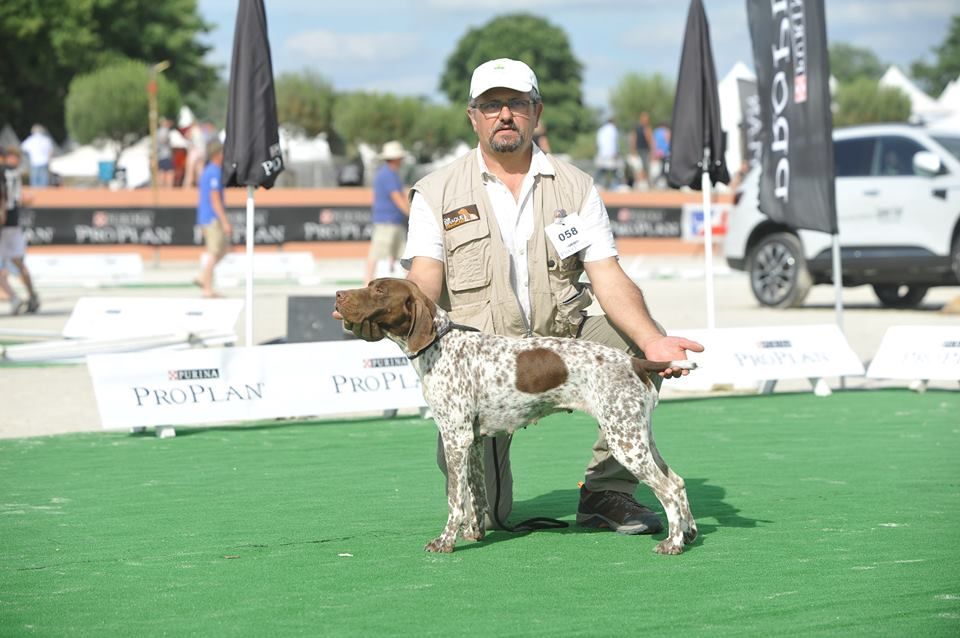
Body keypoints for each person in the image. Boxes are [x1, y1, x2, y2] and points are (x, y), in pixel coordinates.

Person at [338, 58, 703, 535]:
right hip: (485, 360)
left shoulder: (577, 186)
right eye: (491, 105)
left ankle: (606, 491)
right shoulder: (435, 192)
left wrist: (654, 341)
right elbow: (424, 280)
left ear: (537, 111)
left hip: (561, 336)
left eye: (516, 103)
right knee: (485, 516)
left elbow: (607, 275)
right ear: (473, 116)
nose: (504, 114)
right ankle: (487, 501)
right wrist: (392, 315)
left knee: (636, 346)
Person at [1, 147, 40, 313]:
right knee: (19, 263)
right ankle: (32, 296)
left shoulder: (2, 171)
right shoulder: (15, 172)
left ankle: (14, 298)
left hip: (2, 224)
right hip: (14, 222)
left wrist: (2, 212)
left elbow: (1, 195)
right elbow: (20, 197)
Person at [365, 141, 410, 283]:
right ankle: (367, 282)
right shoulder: (388, 175)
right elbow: (397, 198)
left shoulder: (390, 174)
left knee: (400, 255)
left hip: (393, 221)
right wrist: (411, 215)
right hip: (387, 222)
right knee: (379, 255)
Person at [194, 139, 232, 298]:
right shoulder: (214, 172)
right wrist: (225, 222)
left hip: (206, 216)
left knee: (222, 250)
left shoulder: (208, 171)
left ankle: (204, 278)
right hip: (211, 218)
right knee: (214, 252)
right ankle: (206, 287)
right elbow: (215, 199)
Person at [629, 112, 653, 190]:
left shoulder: (647, 128)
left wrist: (652, 151)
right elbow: (633, 139)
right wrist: (633, 150)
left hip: (645, 150)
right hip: (639, 150)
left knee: (645, 167)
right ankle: (640, 183)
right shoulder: (638, 128)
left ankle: (646, 183)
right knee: (639, 167)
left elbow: (650, 140)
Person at [595, 116, 620, 189]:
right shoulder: (613, 129)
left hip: (602, 153)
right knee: (614, 170)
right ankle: (615, 184)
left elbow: (598, 142)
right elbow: (614, 142)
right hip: (611, 152)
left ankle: (598, 183)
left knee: (602, 169)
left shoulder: (601, 130)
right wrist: (616, 152)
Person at [157, 117, 175, 188]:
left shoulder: (158, 131)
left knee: (162, 171)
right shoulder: (164, 130)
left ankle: (162, 186)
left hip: (161, 154)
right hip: (165, 154)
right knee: (168, 171)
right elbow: (164, 140)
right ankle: (168, 186)